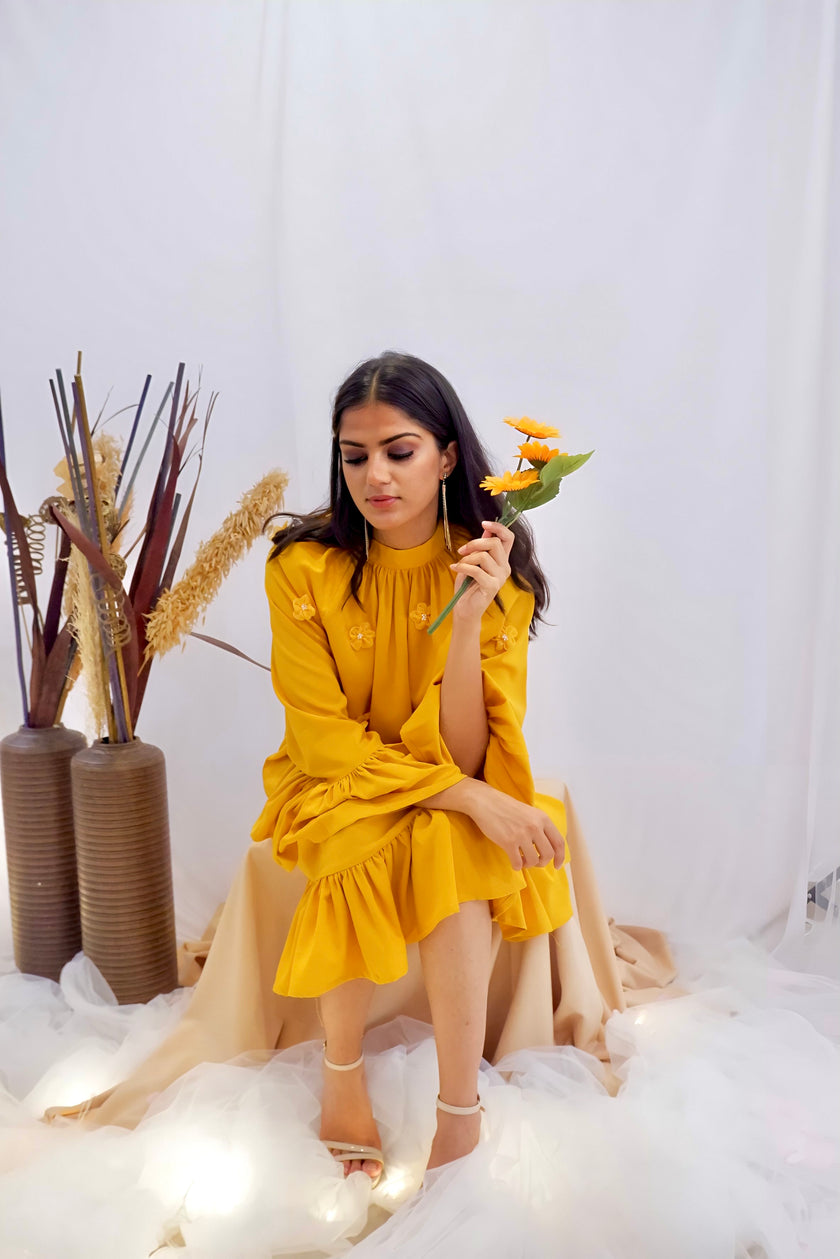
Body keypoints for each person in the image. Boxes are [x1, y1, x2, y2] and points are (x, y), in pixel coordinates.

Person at [252, 350, 575, 1186]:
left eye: (399, 451)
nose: (375, 476)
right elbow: (325, 744)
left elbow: (467, 748)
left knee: (452, 841)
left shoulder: (492, 570)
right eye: (354, 456)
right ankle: (342, 1074)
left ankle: (458, 1115)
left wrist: (467, 620)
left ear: (447, 457)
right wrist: (470, 796)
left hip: (433, 770)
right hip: (333, 779)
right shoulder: (302, 568)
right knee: (369, 834)